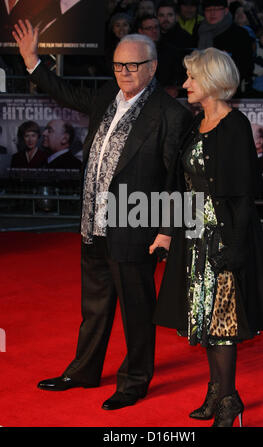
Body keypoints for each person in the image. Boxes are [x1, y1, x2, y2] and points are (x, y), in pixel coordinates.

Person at [12, 20, 191, 410]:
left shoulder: (169, 114)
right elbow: (65, 91)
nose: (123, 73)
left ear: (153, 66)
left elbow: (178, 178)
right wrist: (32, 61)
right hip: (94, 222)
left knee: (137, 309)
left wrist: (166, 231)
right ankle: (83, 371)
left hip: (136, 225)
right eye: (117, 65)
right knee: (93, 306)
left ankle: (135, 380)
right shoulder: (108, 94)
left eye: (132, 66)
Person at [151, 47, 263, 427]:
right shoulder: (197, 122)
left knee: (222, 320)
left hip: (222, 238)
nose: (186, 84)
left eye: (192, 77)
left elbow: (241, 195)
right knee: (203, 316)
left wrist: (234, 249)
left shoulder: (234, 125)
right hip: (194, 235)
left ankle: (228, 402)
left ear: (210, 80)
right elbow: (181, 184)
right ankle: (218, 390)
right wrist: (168, 232)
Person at [197, 0, 254, 95]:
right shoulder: (198, 32)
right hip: (201, 90)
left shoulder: (239, 34)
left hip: (230, 92)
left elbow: (246, 67)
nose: (212, 13)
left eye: (217, 9)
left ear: (226, 10)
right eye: (208, 10)